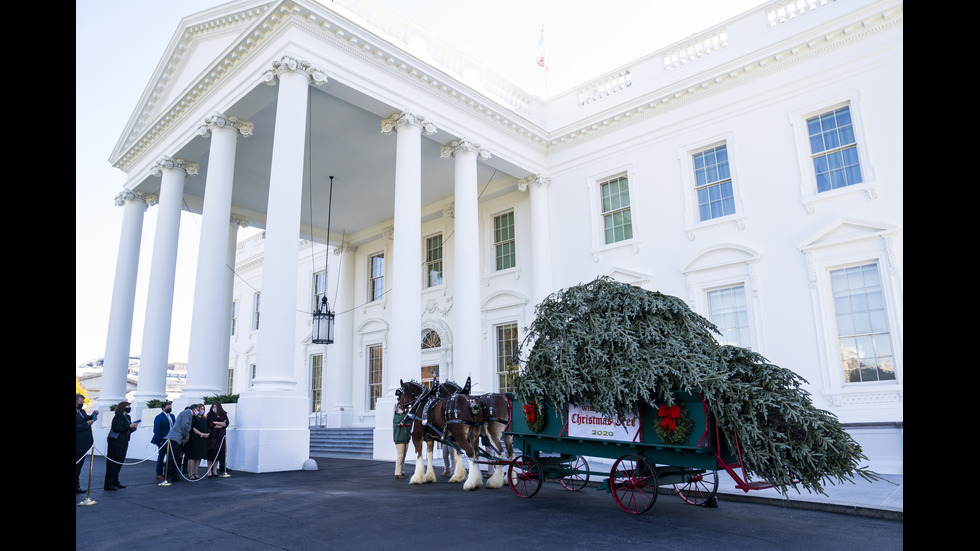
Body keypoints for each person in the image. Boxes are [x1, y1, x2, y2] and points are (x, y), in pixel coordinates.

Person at [104, 401, 139, 491]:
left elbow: (127, 429)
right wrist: (129, 427)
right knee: (113, 462)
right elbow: (116, 428)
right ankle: (109, 483)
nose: (129, 407)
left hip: (124, 441)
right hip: (116, 442)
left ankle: (115, 481)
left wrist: (133, 428)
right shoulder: (117, 416)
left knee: (120, 461)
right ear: (123, 407)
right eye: (127, 406)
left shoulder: (127, 416)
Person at [164, 404, 197, 482]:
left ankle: (174, 475)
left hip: (178, 439)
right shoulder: (187, 413)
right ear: (194, 409)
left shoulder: (187, 413)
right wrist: (187, 436)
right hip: (174, 438)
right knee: (171, 458)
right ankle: (168, 475)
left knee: (176, 458)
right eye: (197, 410)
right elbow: (185, 425)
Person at [76, 394, 98, 493]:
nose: (81, 405)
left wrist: (94, 414)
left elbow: (87, 419)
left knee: (79, 467)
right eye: (80, 403)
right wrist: (86, 424)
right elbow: (79, 426)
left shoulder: (81, 411)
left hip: (85, 443)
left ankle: (76, 485)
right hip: (78, 443)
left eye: (82, 403)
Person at [185, 404, 210, 480]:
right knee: (192, 456)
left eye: (203, 409)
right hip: (194, 438)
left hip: (202, 440)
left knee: (199, 456)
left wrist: (206, 434)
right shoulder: (193, 418)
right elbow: (192, 428)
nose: (201, 410)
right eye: (200, 409)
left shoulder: (205, 418)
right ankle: (190, 473)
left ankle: (195, 472)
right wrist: (201, 434)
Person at [151, 401, 175, 480]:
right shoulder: (159, 417)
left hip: (171, 439)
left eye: (170, 407)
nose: (169, 408)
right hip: (163, 439)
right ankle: (159, 473)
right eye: (168, 407)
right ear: (163, 408)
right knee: (161, 456)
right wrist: (160, 441)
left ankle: (167, 473)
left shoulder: (172, 416)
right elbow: (156, 430)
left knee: (170, 457)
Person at [205, 403, 229, 477]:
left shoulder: (223, 414)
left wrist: (216, 423)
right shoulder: (209, 414)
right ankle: (209, 471)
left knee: (218, 454)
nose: (214, 408)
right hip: (212, 437)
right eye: (213, 407)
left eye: (216, 407)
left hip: (220, 436)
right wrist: (221, 423)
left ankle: (215, 470)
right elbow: (210, 424)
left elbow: (226, 424)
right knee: (211, 454)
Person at [392, 404, 410, 479]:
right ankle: (397, 472)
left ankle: (402, 472)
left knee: (403, 457)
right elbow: (402, 419)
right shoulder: (396, 417)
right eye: (400, 407)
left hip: (405, 438)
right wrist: (407, 411)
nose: (402, 409)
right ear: (396, 409)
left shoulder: (405, 416)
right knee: (400, 456)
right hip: (399, 439)